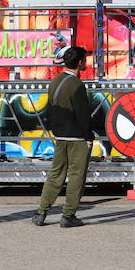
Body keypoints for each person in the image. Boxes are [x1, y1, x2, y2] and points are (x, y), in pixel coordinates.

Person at [33, 46, 93, 228]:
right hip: (77, 138)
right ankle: (68, 216)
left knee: (56, 175)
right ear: (80, 62)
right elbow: (83, 116)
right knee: (76, 176)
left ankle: (41, 213)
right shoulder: (77, 86)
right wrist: (88, 138)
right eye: (85, 59)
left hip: (60, 136)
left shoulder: (56, 81)